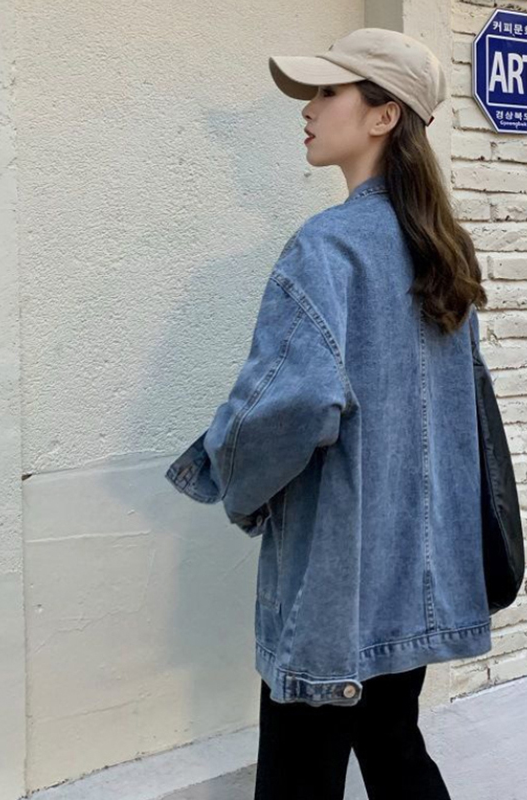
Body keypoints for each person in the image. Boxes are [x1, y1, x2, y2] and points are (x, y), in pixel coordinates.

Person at [165, 27, 491, 800]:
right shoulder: (444, 250)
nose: (307, 109)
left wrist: (231, 481)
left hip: (334, 583)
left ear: (384, 115)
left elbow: (291, 404)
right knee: (395, 750)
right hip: (413, 572)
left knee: (299, 780)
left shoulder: (327, 247)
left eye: (327, 92)